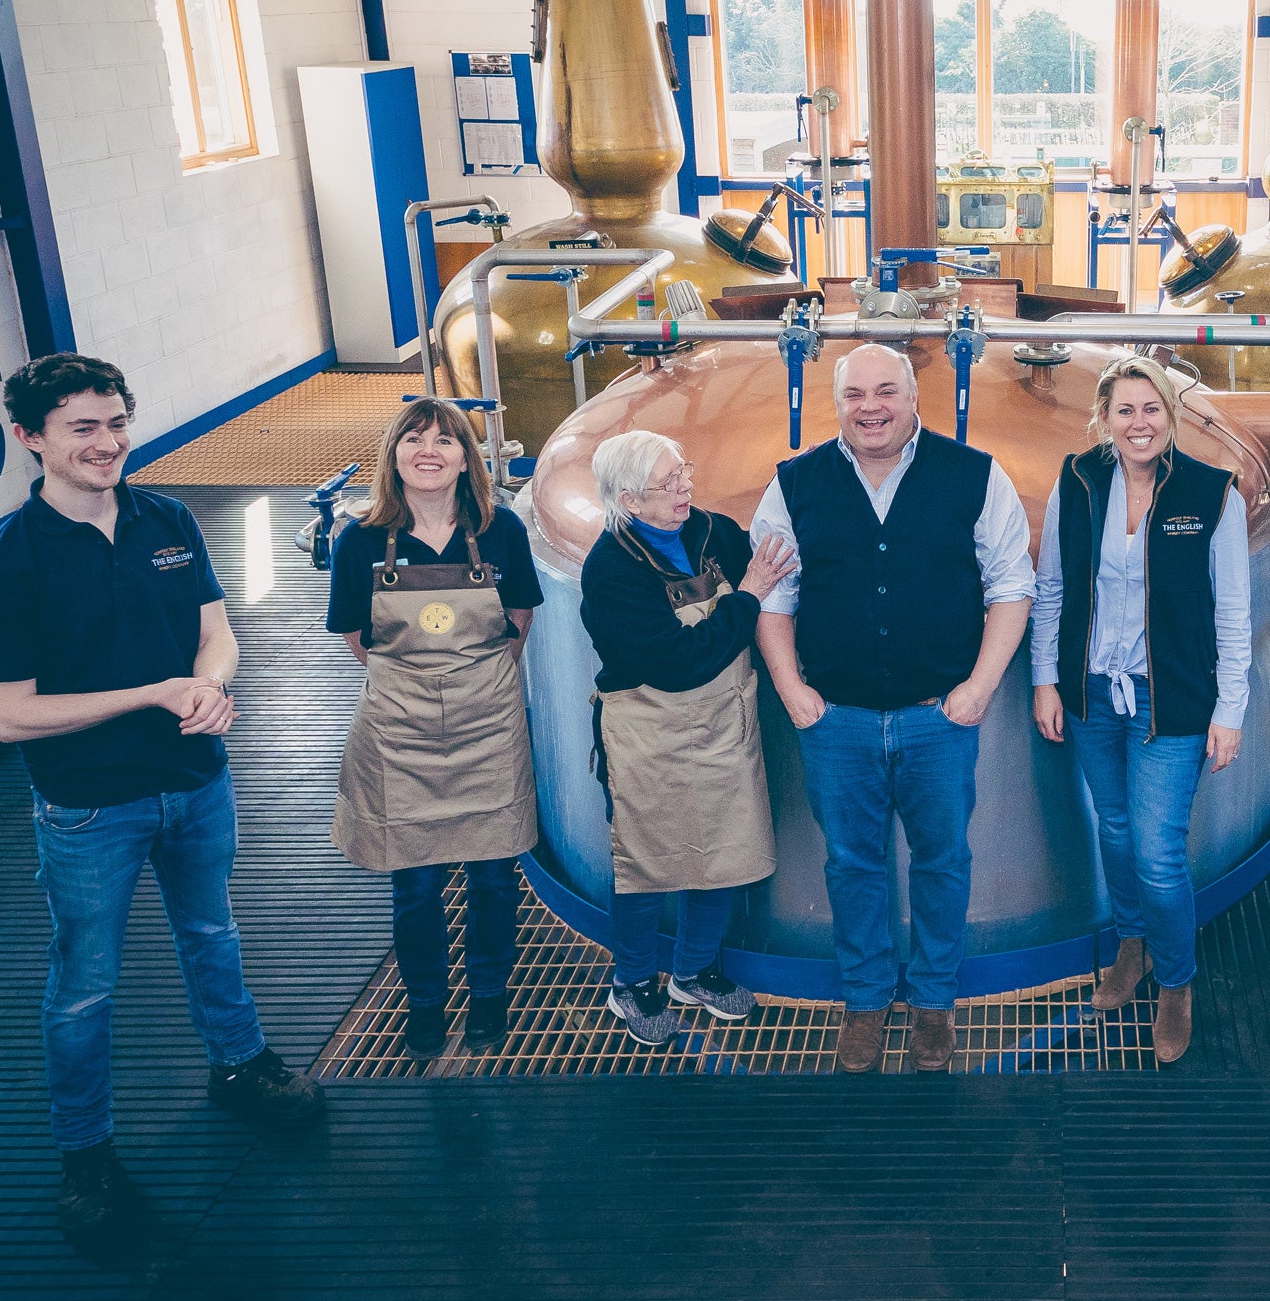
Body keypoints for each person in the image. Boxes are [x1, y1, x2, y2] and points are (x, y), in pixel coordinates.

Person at [0, 354, 324, 1242]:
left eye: (117, 420)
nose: (108, 441)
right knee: (85, 984)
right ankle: (85, 1154)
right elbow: (8, 714)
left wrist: (208, 684)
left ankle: (238, 1067)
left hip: (197, 784)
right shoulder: (10, 561)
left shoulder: (166, 518)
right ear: (31, 438)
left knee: (213, 931)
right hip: (90, 807)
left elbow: (217, 634)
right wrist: (155, 693)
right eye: (83, 426)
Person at [751, 344, 1036, 1074]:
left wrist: (976, 688)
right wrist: (792, 690)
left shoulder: (975, 475)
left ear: (915, 398)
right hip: (836, 720)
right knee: (851, 864)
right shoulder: (794, 484)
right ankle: (868, 999)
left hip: (937, 717)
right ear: (837, 402)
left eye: (886, 391)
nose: (870, 407)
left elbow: (1012, 585)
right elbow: (773, 595)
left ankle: (933, 1001)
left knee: (943, 859)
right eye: (855, 395)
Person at [1031, 357, 1252, 1063]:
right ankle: (1133, 945)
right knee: (1117, 830)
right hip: (1094, 691)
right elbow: (1053, 589)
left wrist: (1232, 709)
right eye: (1125, 410)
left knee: (1159, 855)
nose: (1139, 423)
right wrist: (1046, 678)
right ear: (1104, 418)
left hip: (1173, 700)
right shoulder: (1078, 481)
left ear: (1171, 416)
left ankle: (1177, 982)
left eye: (1151, 408)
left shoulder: (1213, 494)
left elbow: (1234, 615)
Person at [327, 399, 543, 1060]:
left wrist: (469, 684)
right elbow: (358, 639)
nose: (430, 450)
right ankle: (425, 1001)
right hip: (400, 730)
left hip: (489, 725)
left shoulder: (499, 529)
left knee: (493, 877)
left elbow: (518, 619)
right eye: (415, 438)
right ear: (394, 453)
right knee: (415, 883)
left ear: (465, 457)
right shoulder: (360, 542)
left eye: (445, 440)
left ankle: (488, 995)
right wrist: (421, 684)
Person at [580, 429, 796, 1047]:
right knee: (646, 867)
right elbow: (678, 664)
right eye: (667, 482)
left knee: (722, 856)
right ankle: (633, 982)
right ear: (628, 497)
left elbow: (773, 570)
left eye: (684, 473)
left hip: (724, 726)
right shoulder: (612, 568)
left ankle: (694, 970)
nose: (684, 488)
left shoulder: (711, 533)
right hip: (650, 733)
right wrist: (748, 596)